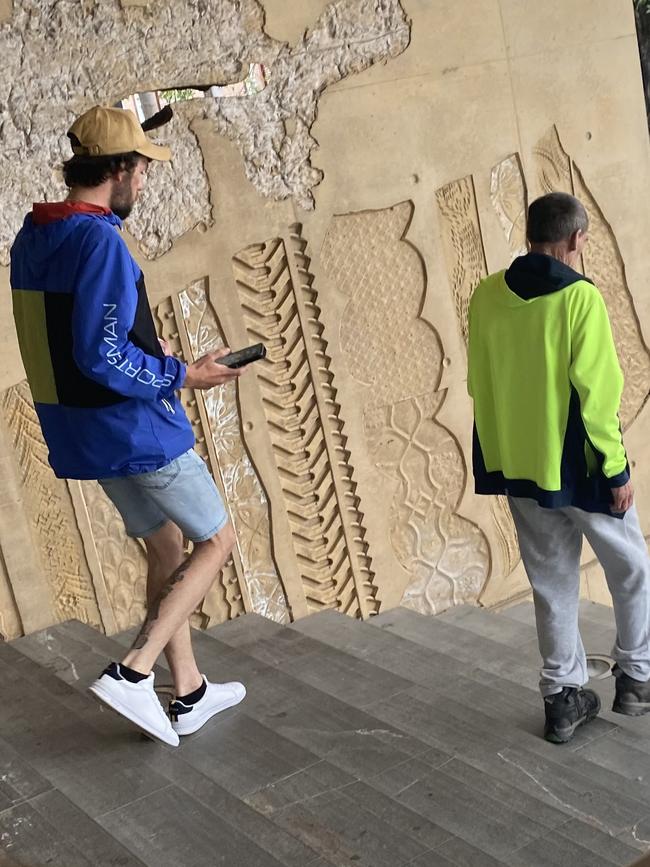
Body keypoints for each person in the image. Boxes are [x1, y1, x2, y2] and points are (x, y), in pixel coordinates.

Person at [10, 105, 247, 747]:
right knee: (217, 540)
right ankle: (133, 672)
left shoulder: (33, 236)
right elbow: (101, 353)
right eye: (141, 169)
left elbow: (69, 341)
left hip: (82, 432)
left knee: (165, 546)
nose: (143, 183)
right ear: (117, 169)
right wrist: (181, 374)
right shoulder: (101, 241)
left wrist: (150, 350)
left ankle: (189, 692)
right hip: (135, 430)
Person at [468, 192, 650, 744]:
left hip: (521, 466)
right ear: (575, 239)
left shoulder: (485, 295)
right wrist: (616, 471)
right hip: (581, 466)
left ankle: (561, 700)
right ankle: (637, 678)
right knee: (634, 569)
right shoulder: (580, 298)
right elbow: (598, 395)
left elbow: (479, 381)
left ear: (530, 235)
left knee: (551, 583)